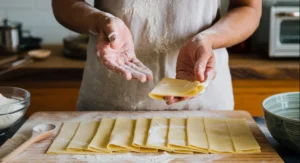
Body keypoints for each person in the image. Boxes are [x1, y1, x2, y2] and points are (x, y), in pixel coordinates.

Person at [52, 0, 261, 111]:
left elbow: (247, 7)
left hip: (202, 102)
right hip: (110, 100)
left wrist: (210, 38)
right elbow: (64, 3)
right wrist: (100, 21)